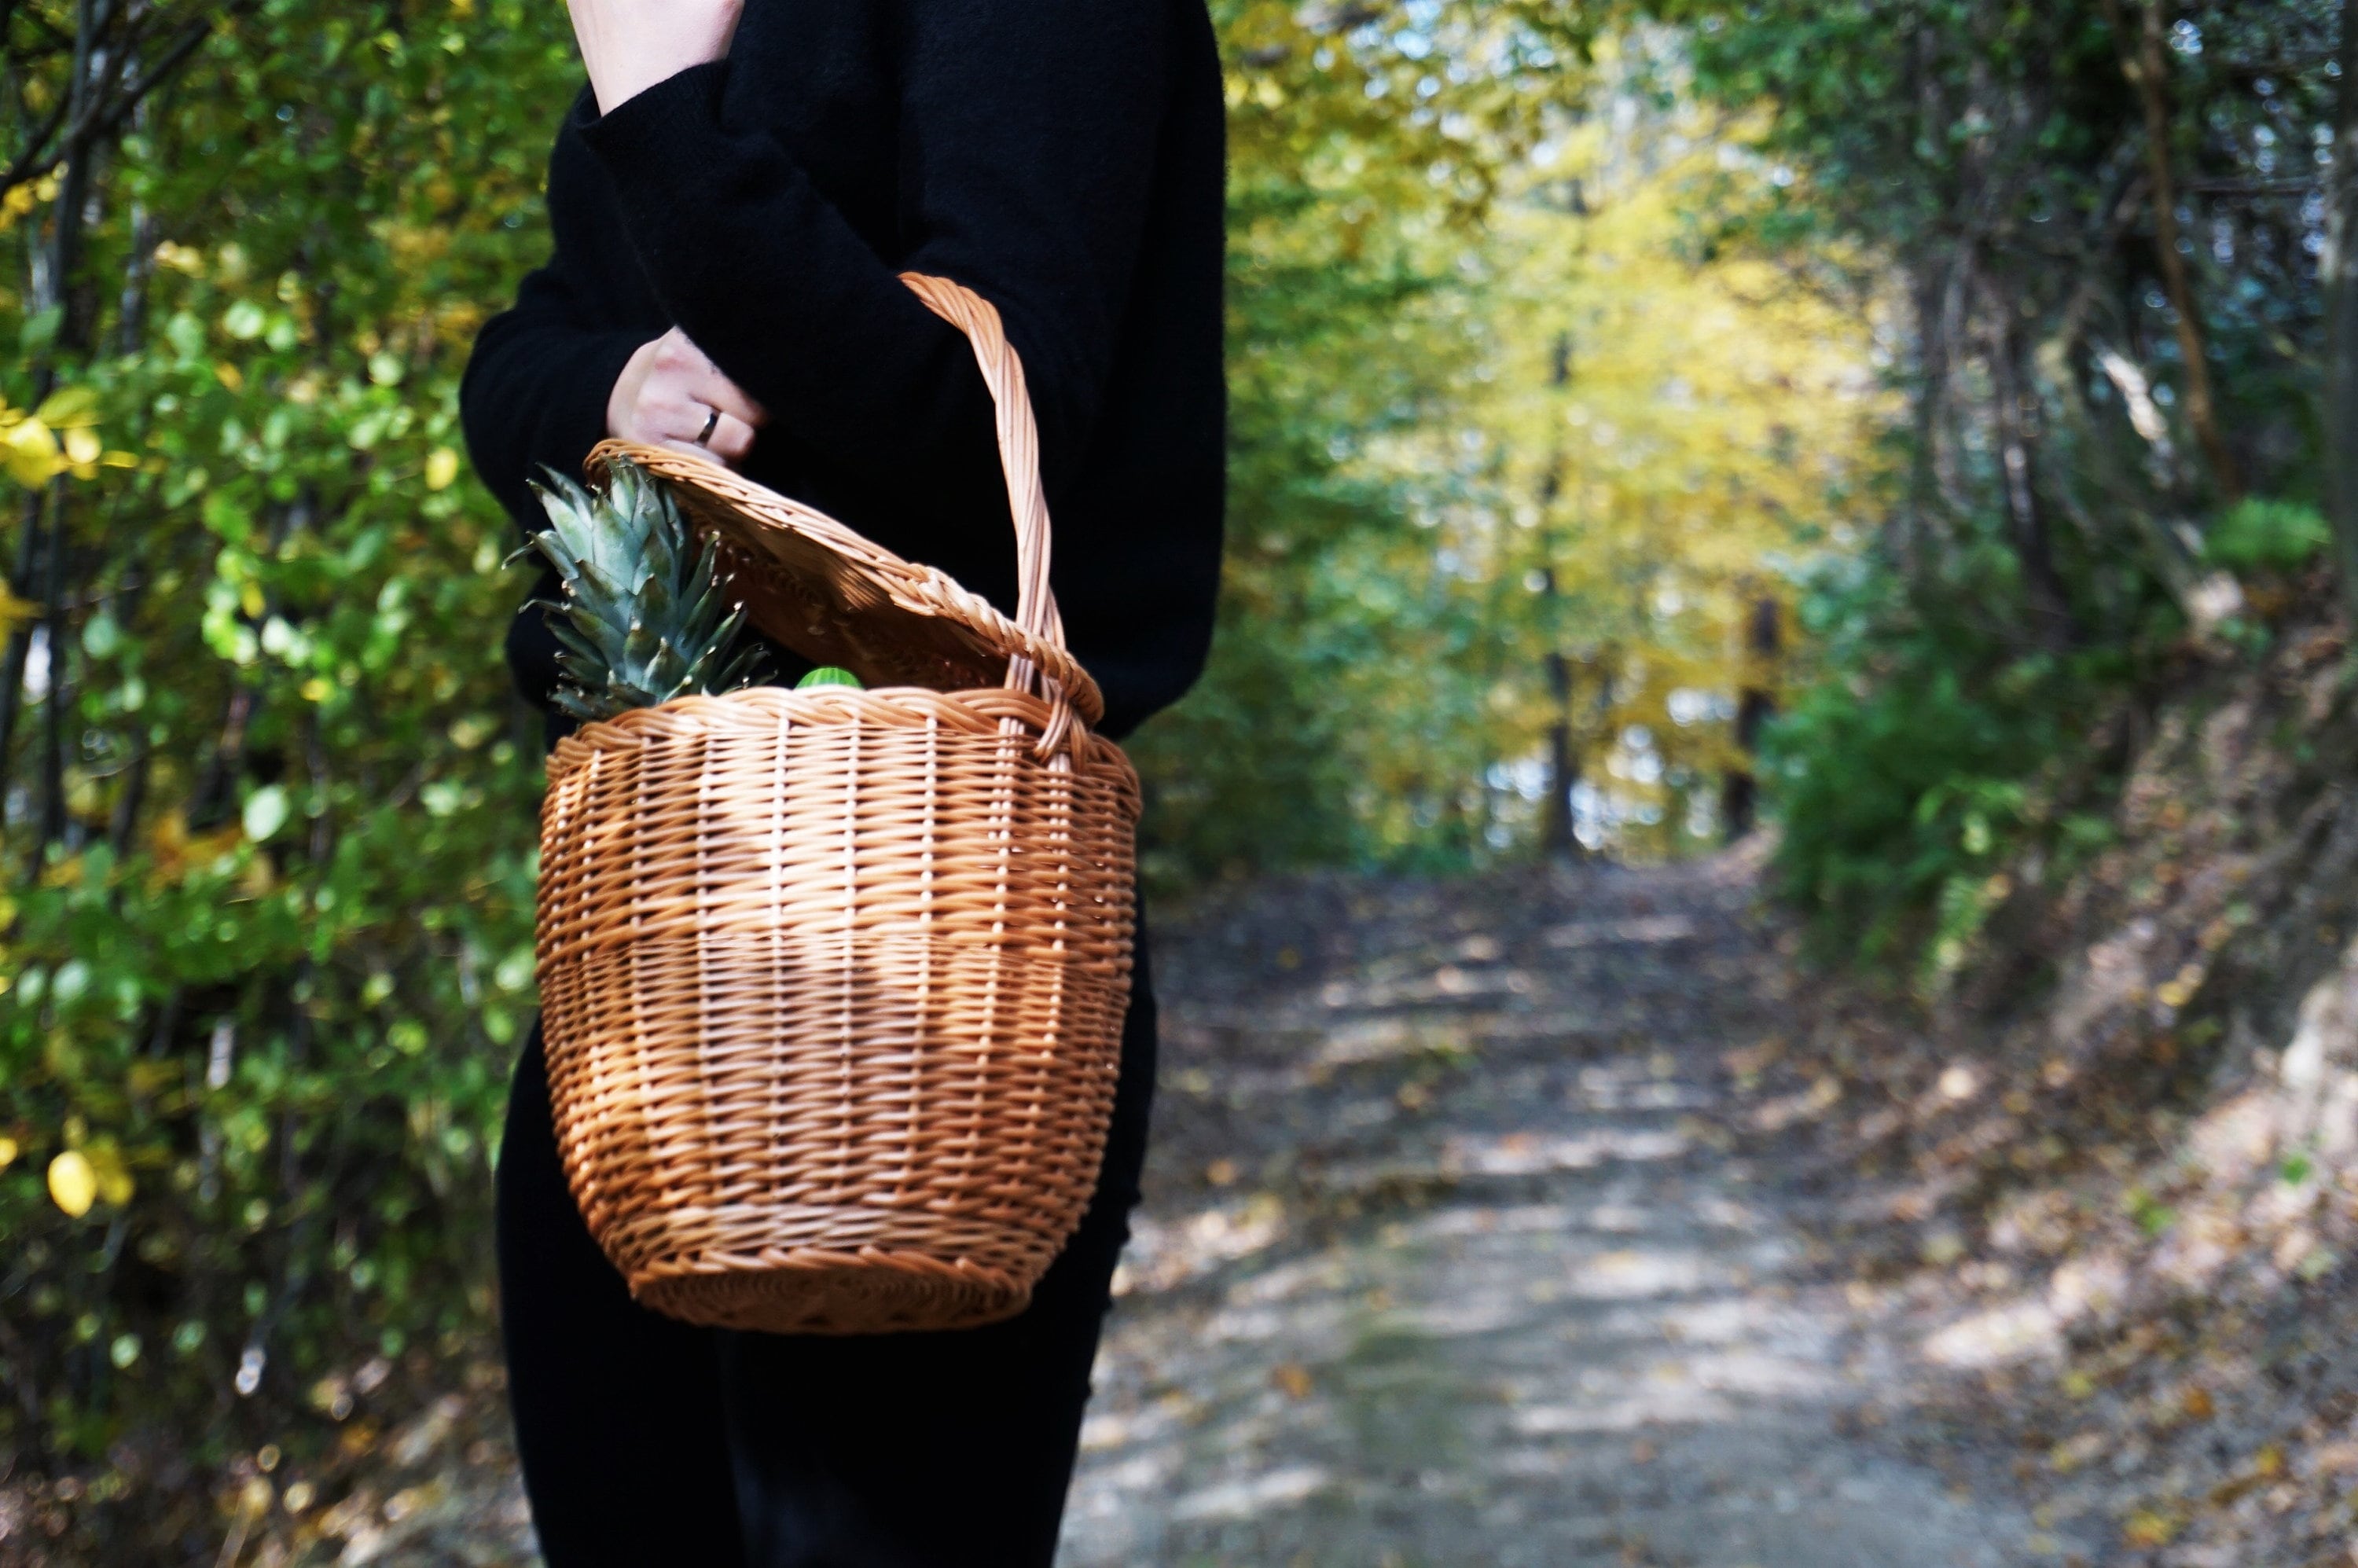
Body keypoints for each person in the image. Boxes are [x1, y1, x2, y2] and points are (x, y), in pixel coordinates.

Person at [457, 0, 1225, 1562]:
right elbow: (525, 353)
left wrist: (665, 111)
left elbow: (983, 416)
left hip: (935, 938)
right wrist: (617, 389)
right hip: (651, 934)